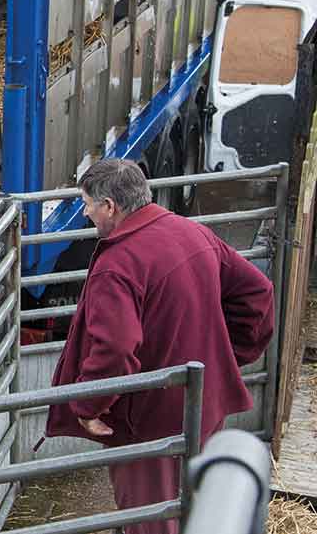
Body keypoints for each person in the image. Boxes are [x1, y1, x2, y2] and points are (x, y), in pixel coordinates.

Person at [45, 159, 275, 534]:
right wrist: (224, 358)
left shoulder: (117, 264)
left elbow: (116, 348)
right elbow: (258, 292)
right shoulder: (190, 231)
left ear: (110, 207)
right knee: (195, 505)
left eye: (87, 204)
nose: (85, 213)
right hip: (201, 403)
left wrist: (89, 406)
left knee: (151, 521)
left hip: (150, 419)